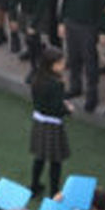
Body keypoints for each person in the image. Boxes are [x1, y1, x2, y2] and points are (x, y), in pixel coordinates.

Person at [60, 0, 105, 113]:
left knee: (90, 60)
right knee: (73, 57)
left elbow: (101, 9)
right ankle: (75, 86)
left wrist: (102, 31)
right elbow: (65, 1)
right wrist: (62, 22)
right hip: (72, 23)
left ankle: (92, 94)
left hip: (88, 27)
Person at [29, 47, 73, 195]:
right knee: (56, 161)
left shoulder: (36, 78)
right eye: (60, 63)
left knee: (39, 157)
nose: (63, 66)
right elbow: (56, 108)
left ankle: (34, 185)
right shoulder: (56, 84)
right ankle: (54, 192)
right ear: (52, 65)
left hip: (39, 121)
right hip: (53, 125)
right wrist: (68, 109)